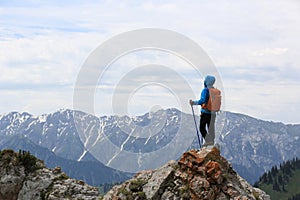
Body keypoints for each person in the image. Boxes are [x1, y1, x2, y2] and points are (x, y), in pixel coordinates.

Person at [189, 75, 217, 146]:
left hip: (205, 112)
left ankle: (208, 141)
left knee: (202, 128)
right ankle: (211, 142)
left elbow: (203, 100)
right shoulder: (215, 91)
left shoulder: (205, 90)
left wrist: (193, 103)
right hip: (213, 113)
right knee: (211, 128)